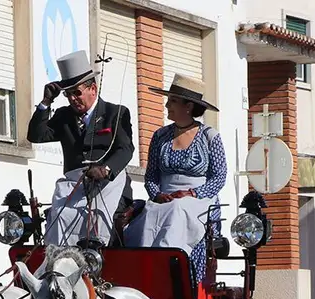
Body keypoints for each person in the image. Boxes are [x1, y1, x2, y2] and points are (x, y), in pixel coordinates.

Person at [120, 74, 227, 282]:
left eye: (173, 101)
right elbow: (151, 176)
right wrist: (157, 194)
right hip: (164, 199)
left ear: (188, 106)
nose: (167, 105)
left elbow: (219, 177)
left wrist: (192, 193)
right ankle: (144, 270)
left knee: (178, 210)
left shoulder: (209, 136)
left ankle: (168, 266)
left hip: (198, 201)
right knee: (150, 214)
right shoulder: (160, 136)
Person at [28, 50, 135, 247]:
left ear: (92, 89)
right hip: (74, 184)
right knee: (58, 218)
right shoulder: (63, 116)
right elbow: (36, 135)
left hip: (109, 182)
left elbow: (126, 148)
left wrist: (106, 169)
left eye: (77, 93)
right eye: (68, 94)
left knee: (101, 219)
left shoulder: (116, 113)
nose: (73, 99)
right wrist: (46, 102)